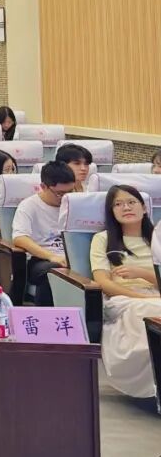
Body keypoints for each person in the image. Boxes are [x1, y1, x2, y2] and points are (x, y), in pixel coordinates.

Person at [89, 185, 160, 398]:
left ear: (144, 208)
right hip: (122, 297)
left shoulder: (157, 238)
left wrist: (143, 273)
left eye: (131, 202)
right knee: (148, 309)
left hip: (155, 294)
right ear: (111, 212)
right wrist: (142, 296)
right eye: (118, 204)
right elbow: (103, 282)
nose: (126, 208)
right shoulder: (102, 239)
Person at [12, 161, 77, 306]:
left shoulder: (76, 204)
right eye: (60, 193)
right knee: (53, 273)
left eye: (70, 192)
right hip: (41, 259)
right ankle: (46, 316)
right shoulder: (29, 206)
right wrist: (51, 256)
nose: (65, 198)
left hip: (72, 257)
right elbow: (20, 238)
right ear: (43, 187)